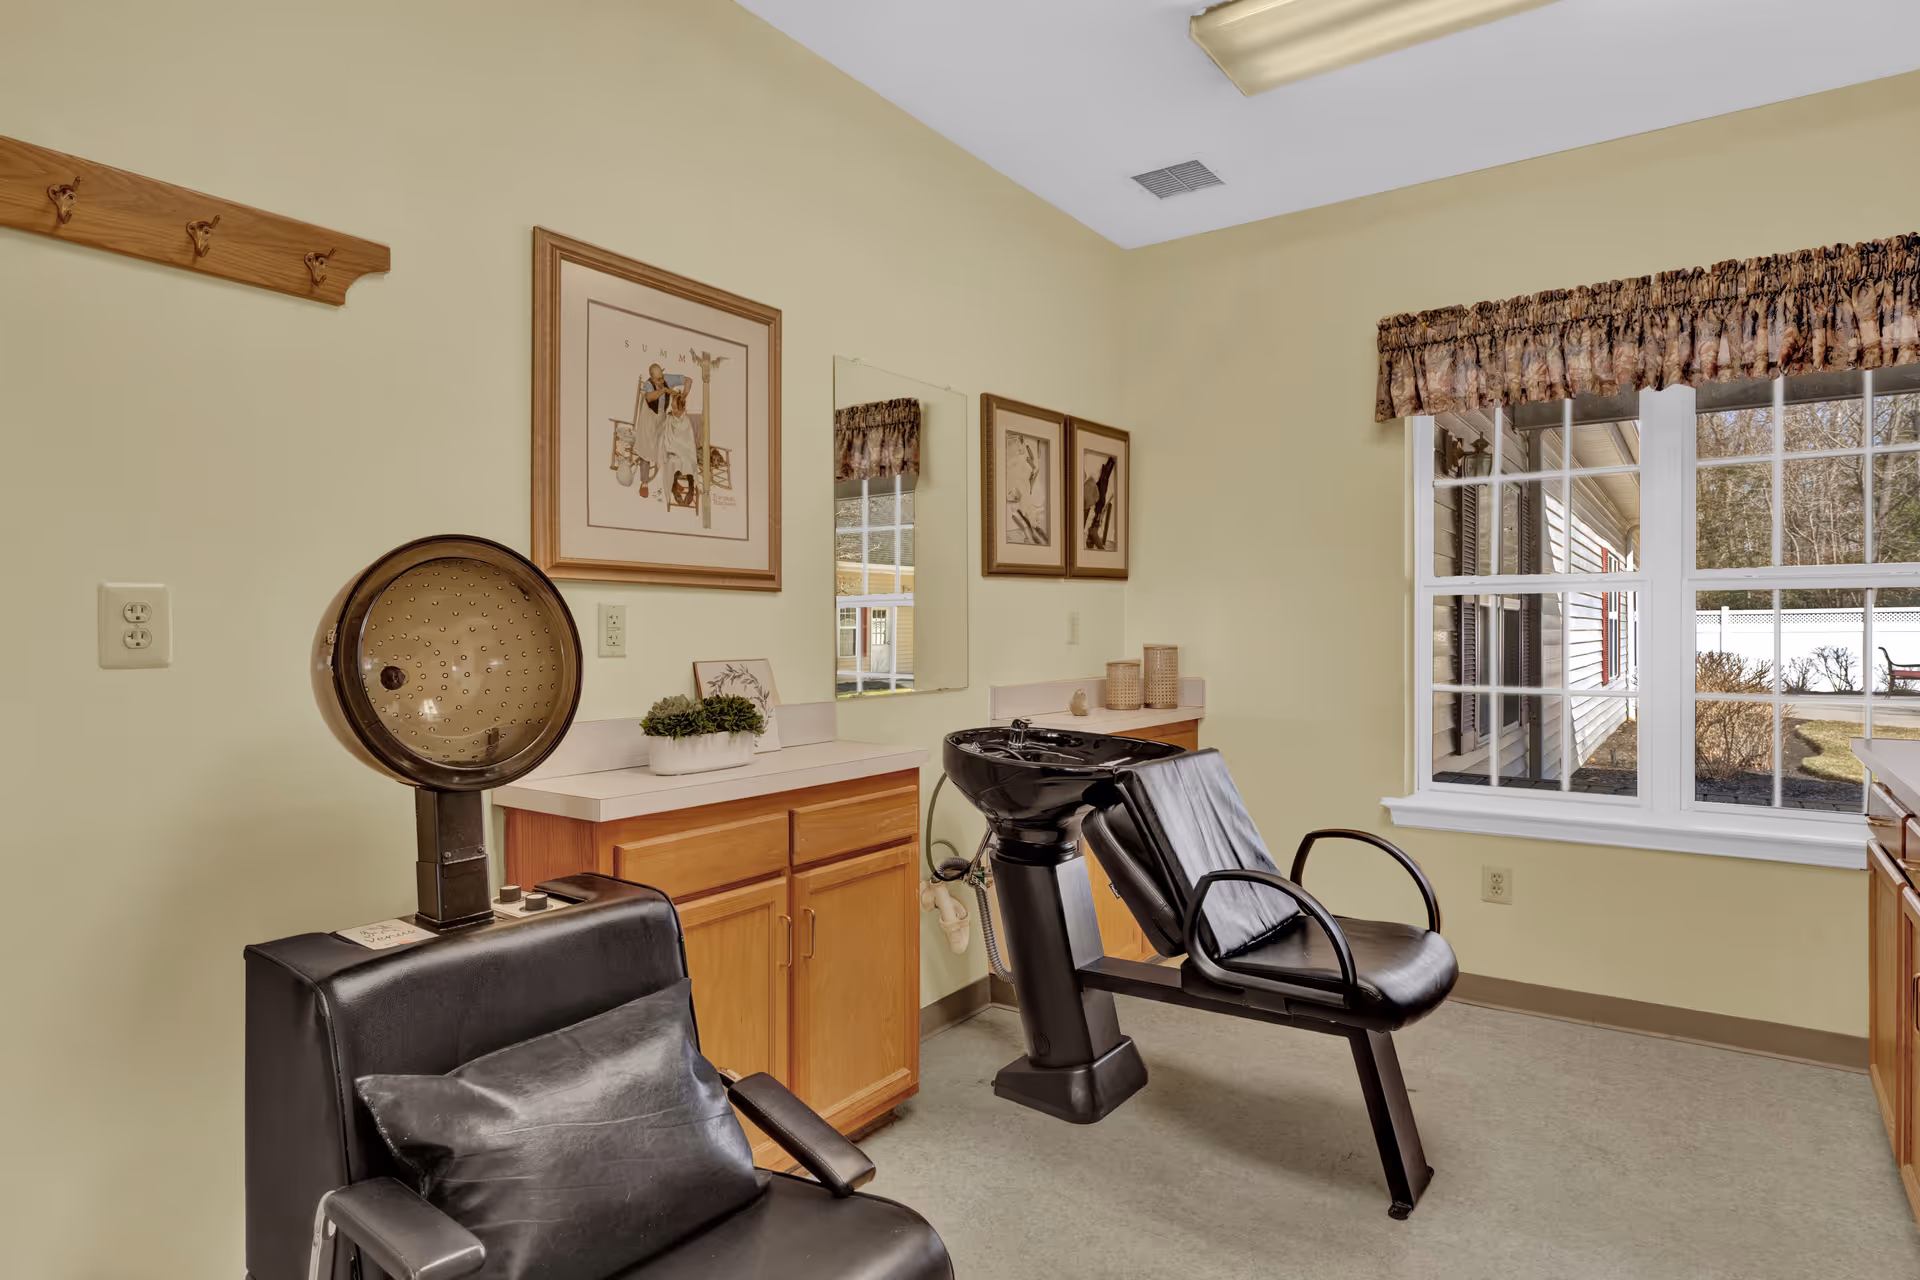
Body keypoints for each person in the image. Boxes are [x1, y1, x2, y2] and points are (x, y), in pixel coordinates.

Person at [656, 386, 700, 509]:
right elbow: (667, 437)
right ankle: (674, 486)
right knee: (674, 462)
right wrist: (671, 448)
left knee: (689, 463)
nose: (674, 411)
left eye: (677, 409)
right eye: (673, 407)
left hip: (686, 452)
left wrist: (683, 450)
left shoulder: (685, 421)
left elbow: (688, 441)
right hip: (672, 451)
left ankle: (691, 488)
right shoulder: (669, 419)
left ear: (683, 409)